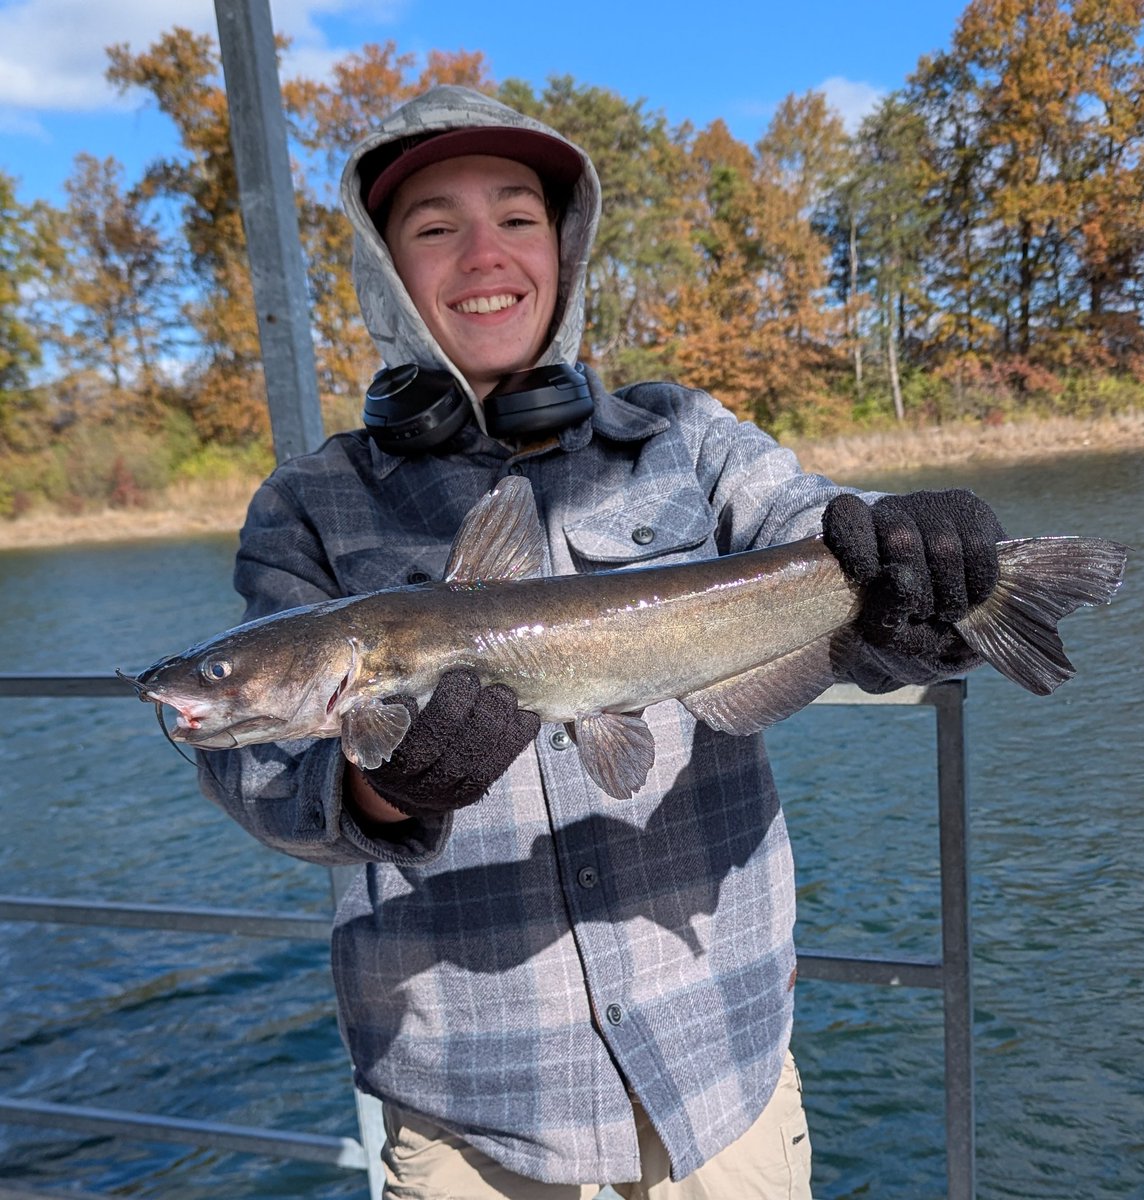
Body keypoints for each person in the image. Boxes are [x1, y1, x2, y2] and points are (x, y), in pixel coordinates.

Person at [199, 85, 1004, 1198]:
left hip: (722, 1082)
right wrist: (384, 794)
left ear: (565, 247)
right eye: (435, 226)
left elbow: (818, 531)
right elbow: (252, 761)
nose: (485, 252)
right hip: (473, 1121)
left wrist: (920, 573)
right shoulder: (309, 505)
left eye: (519, 216)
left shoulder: (684, 438)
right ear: (387, 270)